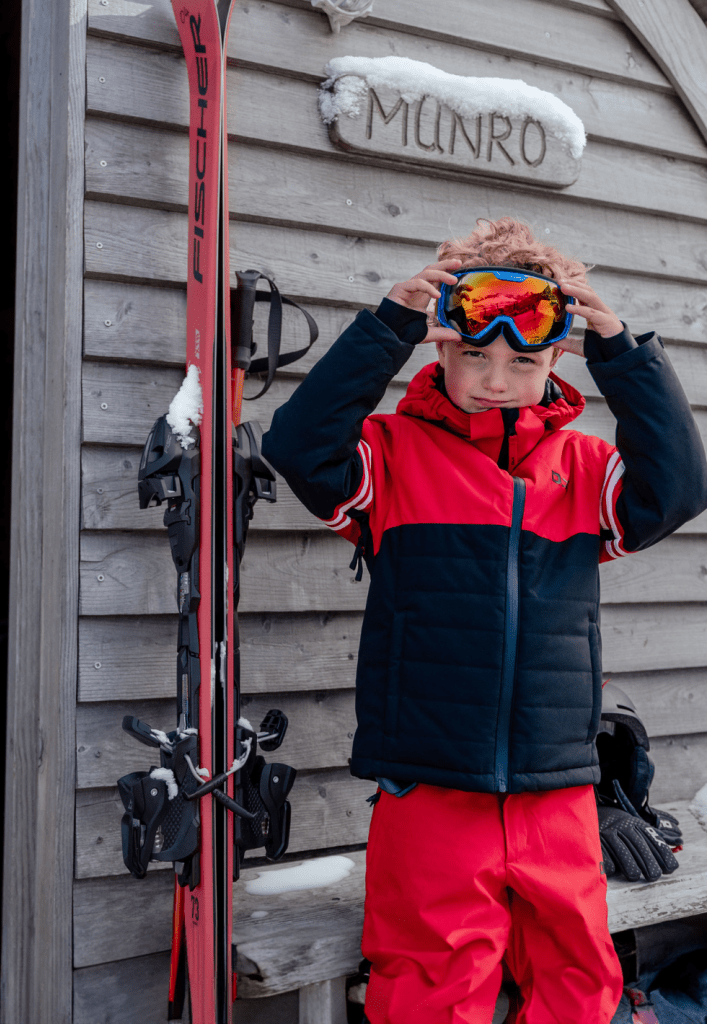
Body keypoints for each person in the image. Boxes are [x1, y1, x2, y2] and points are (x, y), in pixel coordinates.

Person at [261, 218, 707, 1024]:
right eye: (474, 356)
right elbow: (300, 448)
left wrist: (619, 347)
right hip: (432, 790)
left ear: (556, 359)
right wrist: (390, 320)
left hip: (558, 792)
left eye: (522, 362)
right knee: (430, 993)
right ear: (441, 347)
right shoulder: (391, 456)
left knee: (579, 983)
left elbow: (675, 488)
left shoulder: (585, 470)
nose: (495, 379)